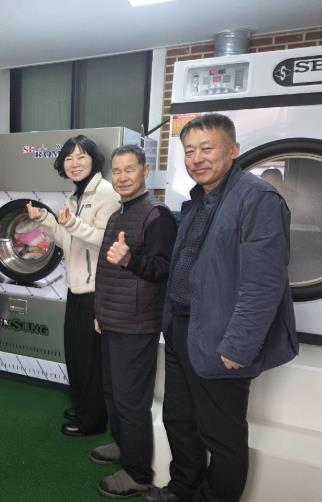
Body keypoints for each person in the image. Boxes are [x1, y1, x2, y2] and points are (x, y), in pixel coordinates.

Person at [142, 113, 298, 502]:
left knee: (221, 433)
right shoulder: (197, 201)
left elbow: (264, 283)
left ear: (233, 150)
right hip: (181, 328)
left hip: (221, 335)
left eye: (207, 148)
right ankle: (182, 490)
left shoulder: (257, 198)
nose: (197, 158)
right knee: (180, 420)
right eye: (189, 151)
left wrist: (239, 345)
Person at [91, 145, 177, 498]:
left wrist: (131, 261)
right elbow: (107, 272)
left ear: (145, 171)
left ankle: (138, 472)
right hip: (113, 318)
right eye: (117, 170)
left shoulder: (157, 215)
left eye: (130, 169)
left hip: (137, 324)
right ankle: (123, 445)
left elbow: (163, 269)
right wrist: (100, 313)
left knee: (130, 401)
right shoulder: (119, 212)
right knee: (112, 392)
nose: (123, 176)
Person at [27, 135, 120, 436]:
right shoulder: (74, 196)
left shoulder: (106, 193)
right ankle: (82, 406)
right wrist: (46, 219)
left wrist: (71, 224)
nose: (74, 163)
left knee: (91, 360)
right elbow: (66, 240)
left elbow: (106, 241)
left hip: (96, 290)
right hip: (76, 287)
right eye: (69, 158)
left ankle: (93, 420)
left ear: (94, 160)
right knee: (77, 354)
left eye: (81, 156)